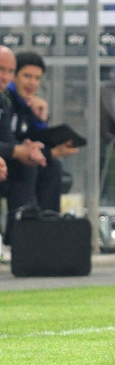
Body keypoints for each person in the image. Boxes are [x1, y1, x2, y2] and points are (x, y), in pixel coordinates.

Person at [0, 48, 54, 247]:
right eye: (26, 76)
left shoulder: (4, 101)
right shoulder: (10, 99)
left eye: (9, 71)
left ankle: (30, 238)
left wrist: (29, 148)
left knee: (47, 166)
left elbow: (9, 139)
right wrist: (17, 151)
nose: (5, 77)